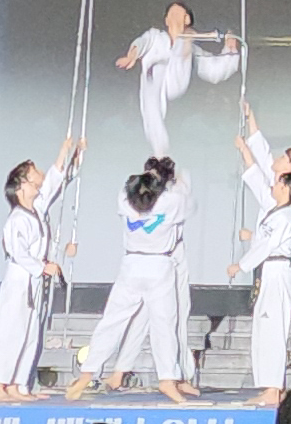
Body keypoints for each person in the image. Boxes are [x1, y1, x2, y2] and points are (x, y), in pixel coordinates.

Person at [66, 161, 196, 403]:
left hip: (131, 266)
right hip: (159, 266)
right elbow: (184, 195)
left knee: (112, 321)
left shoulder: (125, 201)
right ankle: (167, 379)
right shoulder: (170, 203)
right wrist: (168, 174)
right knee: (164, 326)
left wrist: (149, 174)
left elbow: (131, 186)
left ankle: (87, 372)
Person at [0, 136, 82, 402]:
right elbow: (19, 253)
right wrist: (43, 267)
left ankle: (19, 385)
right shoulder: (17, 219)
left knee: (29, 334)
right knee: (11, 331)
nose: (39, 178)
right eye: (33, 175)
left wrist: (69, 154)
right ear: (21, 186)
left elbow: (54, 182)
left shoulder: (37, 209)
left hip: (36, 281)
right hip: (20, 279)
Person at [117, 2, 241, 158]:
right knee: (154, 78)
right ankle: (160, 150)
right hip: (154, 84)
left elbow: (214, 71)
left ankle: (182, 45)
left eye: (178, 13)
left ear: (187, 19)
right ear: (166, 20)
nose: (174, 17)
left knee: (182, 45)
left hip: (176, 82)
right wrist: (132, 56)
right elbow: (142, 42)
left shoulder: (192, 48)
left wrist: (230, 49)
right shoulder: (155, 37)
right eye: (171, 14)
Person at [228, 170, 291, 405]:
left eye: (278, 183)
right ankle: (269, 386)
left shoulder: (285, 217)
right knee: (264, 329)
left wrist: (241, 265)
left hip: (277, 274)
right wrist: (251, 238)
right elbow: (264, 242)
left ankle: (273, 388)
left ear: (285, 188)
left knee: (273, 331)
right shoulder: (279, 214)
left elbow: (267, 246)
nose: (273, 186)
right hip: (268, 271)